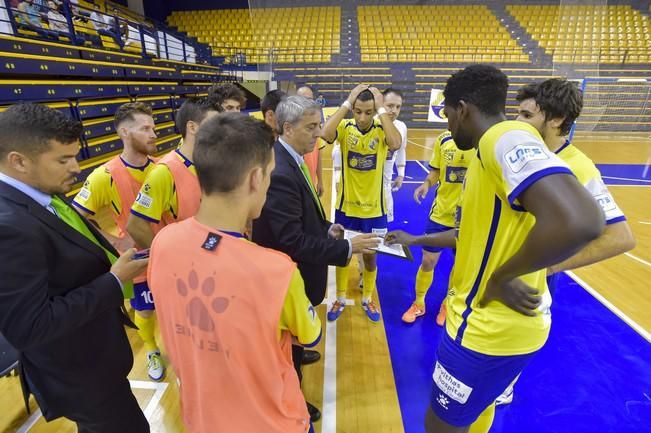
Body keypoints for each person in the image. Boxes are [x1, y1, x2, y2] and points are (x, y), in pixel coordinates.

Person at [385, 65, 604, 433]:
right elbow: (472, 233)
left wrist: (505, 275)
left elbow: (582, 220)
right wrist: (418, 240)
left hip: (486, 328)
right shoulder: (489, 152)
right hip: (499, 325)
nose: (448, 125)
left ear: (463, 109)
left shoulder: (502, 138)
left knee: (440, 425)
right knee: (475, 411)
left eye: (448, 114)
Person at [149, 113, 321, 433]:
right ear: (256, 178)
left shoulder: (163, 243)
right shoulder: (277, 271)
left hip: (201, 420)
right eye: (270, 174)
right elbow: (310, 335)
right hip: (272, 423)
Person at [0, 103, 149, 432]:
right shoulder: (8, 225)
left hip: (94, 359)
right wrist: (113, 282)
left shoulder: (39, 189)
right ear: (19, 161)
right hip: (78, 373)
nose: (77, 167)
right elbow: (29, 326)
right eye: (64, 159)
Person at [492, 78, 636, 405]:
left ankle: (504, 384)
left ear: (555, 120)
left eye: (527, 116)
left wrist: (551, 265)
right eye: (517, 113)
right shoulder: (512, 150)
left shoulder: (579, 168)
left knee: (512, 345)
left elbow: (620, 237)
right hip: (490, 264)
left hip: (527, 276)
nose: (517, 122)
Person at [252, 96, 380, 422]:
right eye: (312, 126)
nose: (319, 132)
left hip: (296, 273)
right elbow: (291, 240)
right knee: (286, 346)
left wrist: (327, 228)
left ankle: (296, 355)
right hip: (288, 278)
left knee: (294, 338)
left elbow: (304, 215)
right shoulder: (281, 169)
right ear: (288, 127)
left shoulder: (292, 157)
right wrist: (349, 248)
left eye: (319, 124)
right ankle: (292, 401)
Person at [72, 102, 165, 381]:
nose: (154, 133)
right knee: (146, 311)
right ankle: (151, 351)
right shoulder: (104, 175)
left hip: (172, 254)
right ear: (124, 132)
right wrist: (114, 240)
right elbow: (77, 217)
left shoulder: (164, 168)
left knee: (178, 308)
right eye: (145, 128)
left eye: (154, 126)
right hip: (139, 261)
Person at [321, 84, 402, 323]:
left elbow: (396, 144)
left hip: (375, 209)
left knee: (370, 256)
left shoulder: (381, 129)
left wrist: (380, 109)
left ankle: (367, 297)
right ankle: (341, 297)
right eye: (358, 111)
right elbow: (325, 134)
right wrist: (346, 102)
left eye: (368, 112)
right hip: (347, 207)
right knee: (343, 254)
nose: (363, 117)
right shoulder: (345, 128)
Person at [401, 130, 474, 325]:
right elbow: (436, 171)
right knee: (428, 260)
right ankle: (419, 303)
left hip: (469, 218)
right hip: (441, 214)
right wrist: (426, 184)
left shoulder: (482, 142)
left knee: (460, 267)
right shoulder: (443, 140)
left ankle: (447, 303)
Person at [126, 97, 220, 248]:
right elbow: (135, 225)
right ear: (192, 127)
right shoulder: (164, 172)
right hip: (187, 263)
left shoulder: (213, 164)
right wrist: (166, 257)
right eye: (215, 125)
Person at [381, 88, 408, 223]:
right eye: (390, 106)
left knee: (383, 228)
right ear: (381, 104)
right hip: (365, 188)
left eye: (398, 107)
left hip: (386, 187)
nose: (394, 110)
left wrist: (401, 174)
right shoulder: (370, 124)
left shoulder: (402, 127)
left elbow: (401, 150)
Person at [296, 85, 326, 195]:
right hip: (297, 187)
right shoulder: (292, 126)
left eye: (309, 100)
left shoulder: (316, 125)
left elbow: (318, 154)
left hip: (312, 184)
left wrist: (321, 181)